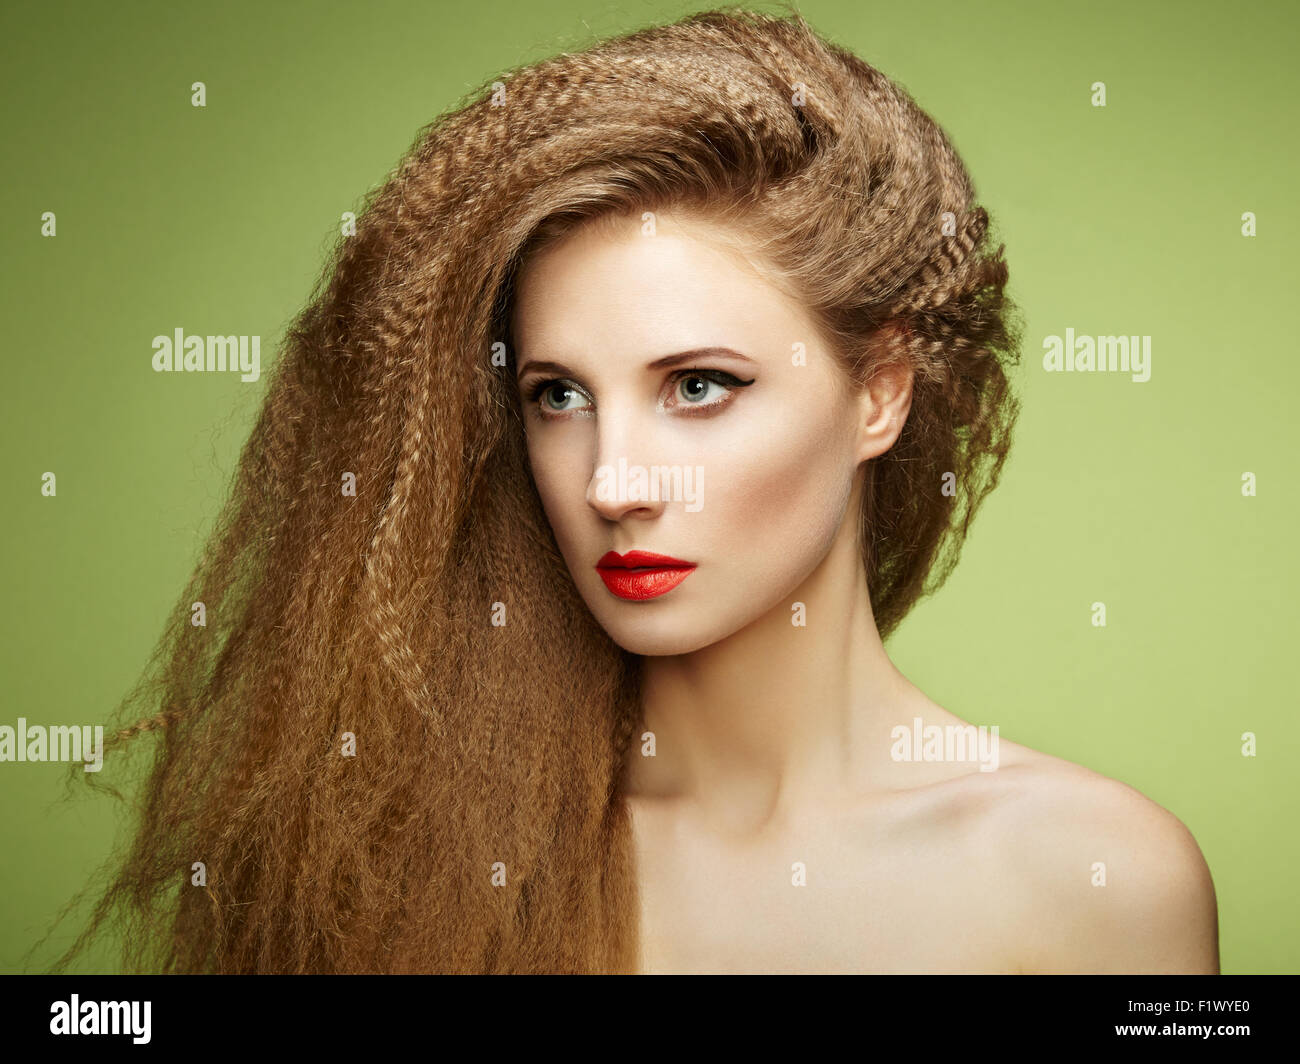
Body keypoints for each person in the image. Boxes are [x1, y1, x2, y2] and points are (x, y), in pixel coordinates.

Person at [48, 6, 1217, 974]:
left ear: (881, 395)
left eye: (699, 384)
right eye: (558, 395)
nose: (613, 481)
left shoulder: (1092, 878)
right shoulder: (399, 858)